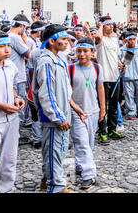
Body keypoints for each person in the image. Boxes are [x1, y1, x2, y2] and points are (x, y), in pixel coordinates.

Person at [31, 25, 76, 193]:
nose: (67, 42)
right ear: (51, 41)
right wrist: (57, 116)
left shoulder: (59, 59)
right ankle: (55, 186)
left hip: (63, 112)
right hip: (53, 118)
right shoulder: (46, 62)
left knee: (60, 150)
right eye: (63, 39)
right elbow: (46, 94)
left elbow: (65, 88)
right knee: (53, 151)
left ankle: (49, 178)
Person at [68, 37, 106, 189]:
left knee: (89, 142)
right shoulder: (70, 69)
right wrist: (74, 108)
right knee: (82, 141)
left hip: (93, 110)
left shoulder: (97, 68)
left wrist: (103, 109)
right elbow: (67, 92)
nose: (82, 54)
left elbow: (100, 88)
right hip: (76, 112)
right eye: (79, 51)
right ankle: (89, 175)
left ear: (92, 52)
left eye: (85, 51)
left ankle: (80, 164)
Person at [0, 30, 26, 192]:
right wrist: (0, 105)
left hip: (11, 120)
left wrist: (16, 98)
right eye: (1, 46)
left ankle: (6, 189)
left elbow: (13, 87)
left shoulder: (11, 66)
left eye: (8, 46)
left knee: (9, 159)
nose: (7, 50)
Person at [94, 16, 125, 143]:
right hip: (103, 77)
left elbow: (115, 56)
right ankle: (102, 132)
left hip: (115, 76)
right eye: (107, 25)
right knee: (103, 106)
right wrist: (100, 25)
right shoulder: (100, 40)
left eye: (112, 24)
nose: (111, 26)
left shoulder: (114, 39)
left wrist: (120, 65)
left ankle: (112, 129)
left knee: (113, 105)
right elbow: (98, 37)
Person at [8, 14, 31, 130]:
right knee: (19, 104)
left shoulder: (7, 35)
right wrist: (25, 39)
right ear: (22, 26)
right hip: (18, 77)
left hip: (10, 76)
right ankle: (16, 133)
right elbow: (29, 54)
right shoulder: (15, 38)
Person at [120, 32, 138, 120]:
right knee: (129, 94)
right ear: (126, 40)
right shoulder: (122, 50)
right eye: (130, 39)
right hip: (127, 76)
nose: (132, 41)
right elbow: (120, 63)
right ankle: (131, 111)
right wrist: (122, 69)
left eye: (133, 39)